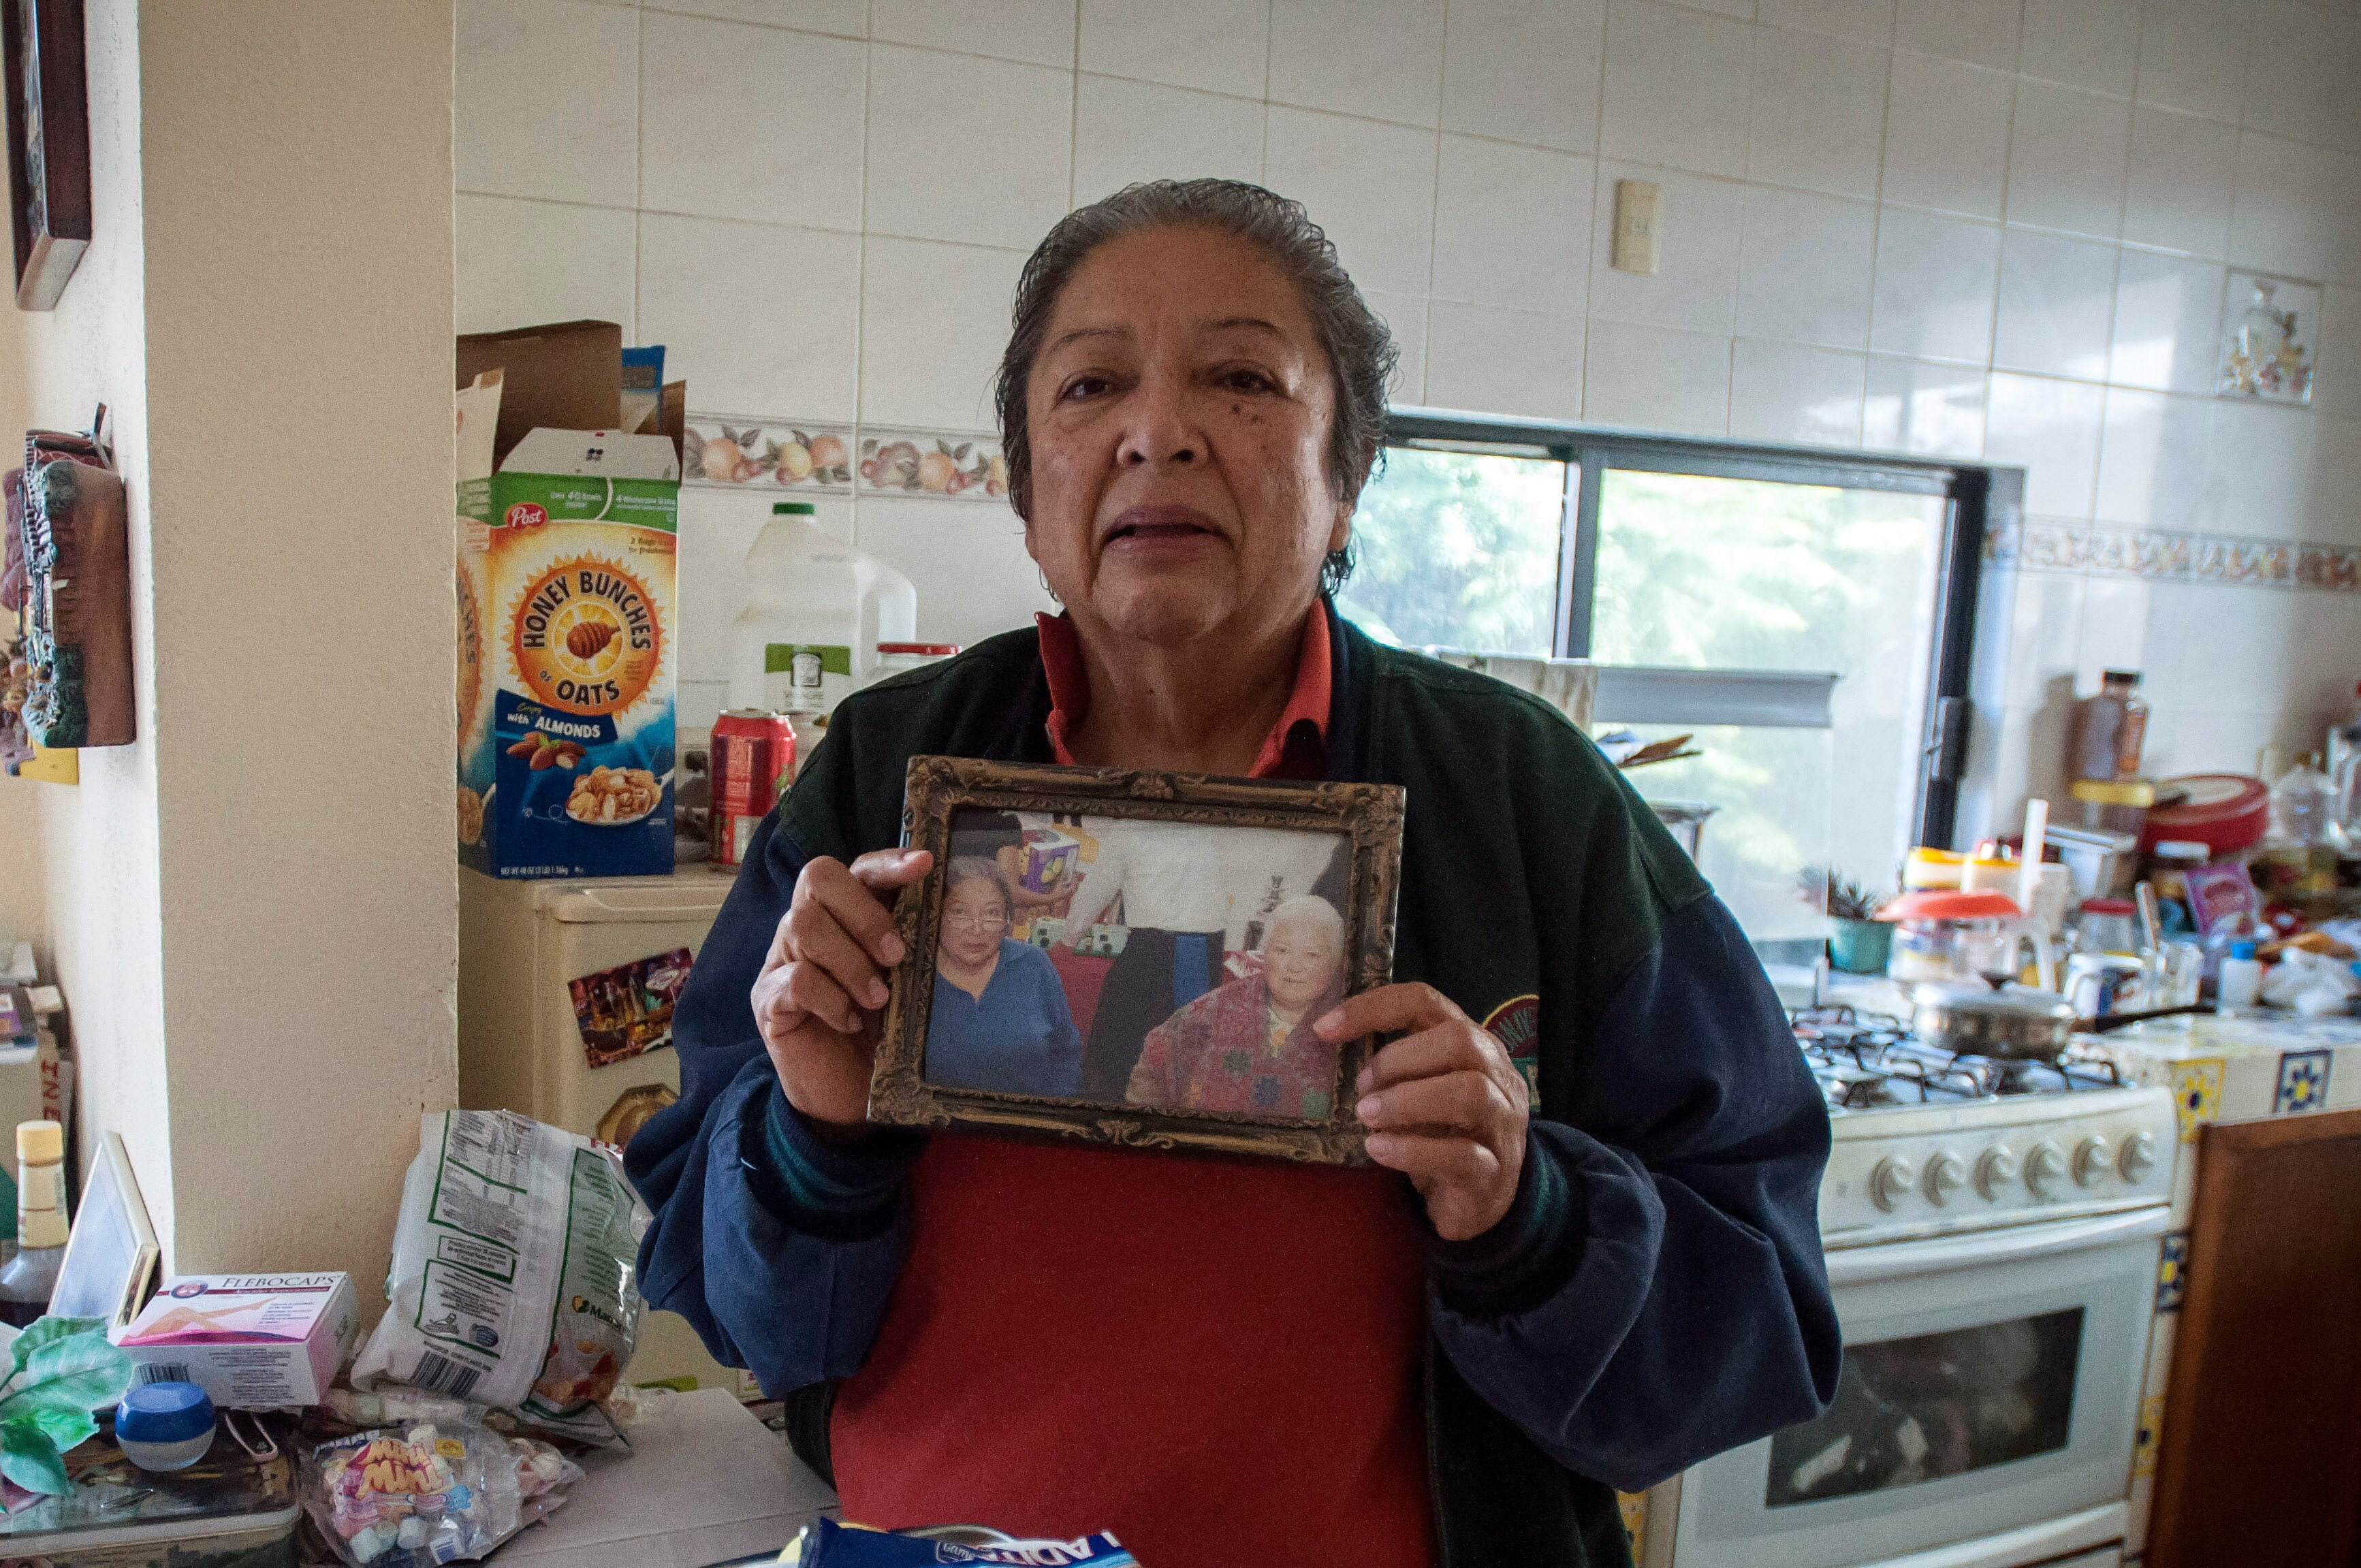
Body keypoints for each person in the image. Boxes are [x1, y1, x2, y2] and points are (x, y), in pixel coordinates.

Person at [627, 178, 1837, 1567]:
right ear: (1028, 494)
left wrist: (1533, 1215)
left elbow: (1761, 1312)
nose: (1158, 431)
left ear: (1346, 479)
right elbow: (727, 1306)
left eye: (1241, 378)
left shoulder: (1524, 798)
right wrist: (811, 1136)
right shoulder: (881, 772)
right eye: (1091, 386)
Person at [1053, 818, 1230, 1099]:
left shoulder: (1129, 829)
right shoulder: (1206, 824)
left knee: (1118, 1052)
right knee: (1190, 1052)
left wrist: (1067, 940)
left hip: (1157, 949)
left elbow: (1097, 889)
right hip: (1206, 949)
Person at [1126, 894, 1346, 1116]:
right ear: (1264, 953)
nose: (1295, 966)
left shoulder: (1348, 1026)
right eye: (1282, 950)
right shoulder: (1216, 1009)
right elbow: (1155, 1061)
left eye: (1312, 955)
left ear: (1336, 962)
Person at [924, 857, 1084, 1098]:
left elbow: (1066, 1051)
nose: (977, 928)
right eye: (959, 912)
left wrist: (1052, 1110)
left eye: (991, 913)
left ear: (1008, 920)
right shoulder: (917, 973)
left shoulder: (1033, 963)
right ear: (936, 915)